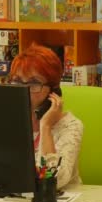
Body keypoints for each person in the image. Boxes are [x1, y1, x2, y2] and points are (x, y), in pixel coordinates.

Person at [9, 44, 83, 189]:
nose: (24, 89)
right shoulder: (8, 121)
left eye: (34, 83)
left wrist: (46, 126)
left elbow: (54, 181)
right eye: (17, 81)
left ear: (54, 90)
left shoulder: (71, 126)